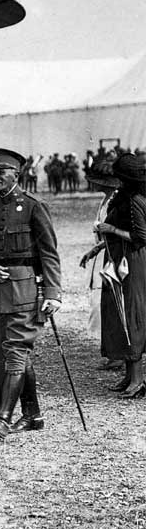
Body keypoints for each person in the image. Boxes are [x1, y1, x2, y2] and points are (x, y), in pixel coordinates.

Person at [0, 149, 62, 439]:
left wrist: (53, 292)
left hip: (26, 290)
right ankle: (33, 415)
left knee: (15, 354)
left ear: (17, 174)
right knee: (14, 354)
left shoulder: (34, 206)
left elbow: (49, 253)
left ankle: (3, 418)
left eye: (1, 172)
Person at [81, 153, 146, 398]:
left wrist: (111, 229)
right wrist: (96, 248)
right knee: (120, 315)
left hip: (132, 263)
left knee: (131, 317)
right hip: (118, 259)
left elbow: (141, 238)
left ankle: (138, 380)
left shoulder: (135, 200)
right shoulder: (124, 197)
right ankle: (129, 376)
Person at [79, 160, 124, 371]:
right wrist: (95, 249)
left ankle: (118, 352)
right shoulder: (105, 200)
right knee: (101, 302)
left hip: (114, 255)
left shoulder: (116, 201)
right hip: (103, 251)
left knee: (109, 302)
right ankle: (112, 350)